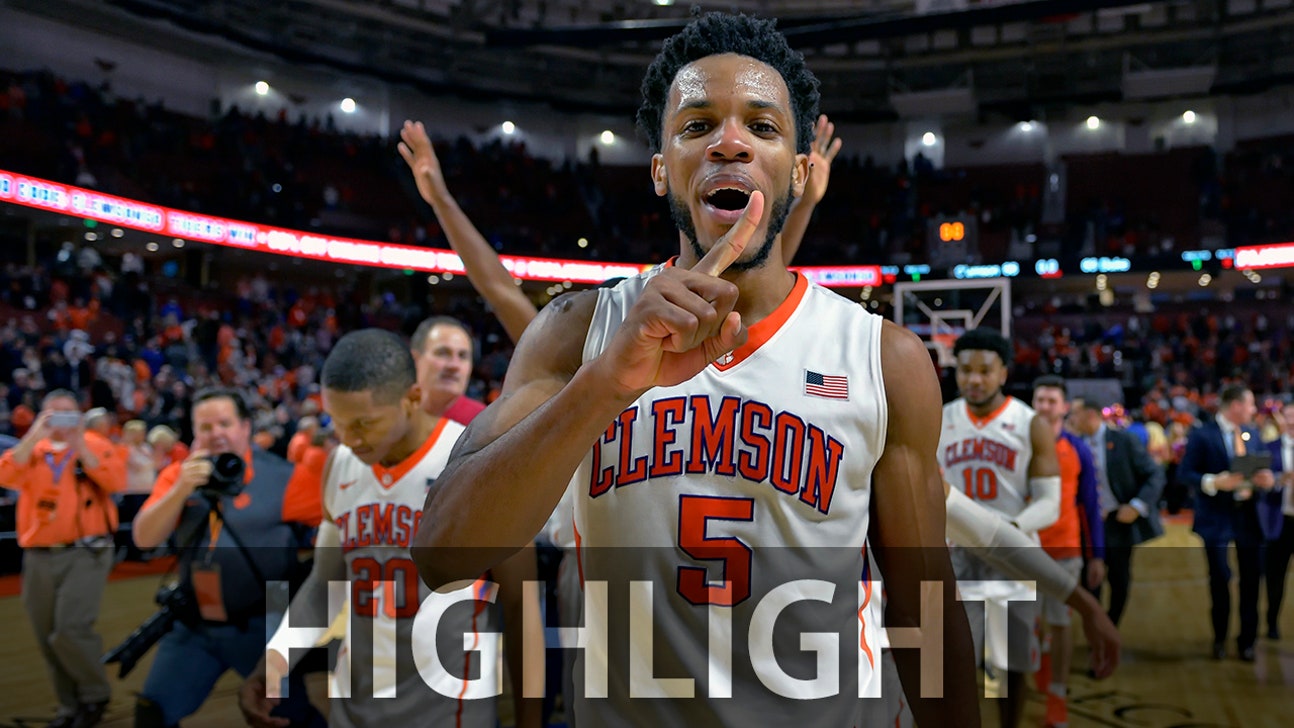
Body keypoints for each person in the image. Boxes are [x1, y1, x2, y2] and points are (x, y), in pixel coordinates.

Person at [413, 12, 979, 726]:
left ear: (801, 172)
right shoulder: (575, 334)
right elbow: (443, 555)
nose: (730, 143)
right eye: (697, 125)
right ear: (661, 170)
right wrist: (605, 386)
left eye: (763, 127)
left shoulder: (883, 358)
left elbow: (925, 606)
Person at [237, 330, 542, 728]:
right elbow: (324, 585)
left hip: (450, 714)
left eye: (364, 423)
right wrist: (274, 660)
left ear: (412, 398)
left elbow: (521, 607)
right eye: (339, 423)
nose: (349, 439)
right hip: (353, 708)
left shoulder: (480, 463)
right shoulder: (339, 464)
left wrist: (530, 720)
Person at [131, 388, 323, 727]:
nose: (215, 433)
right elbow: (144, 539)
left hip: (264, 622)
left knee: (286, 718)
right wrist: (180, 490)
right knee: (153, 714)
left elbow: (336, 524)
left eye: (225, 423)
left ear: (245, 427)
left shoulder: (285, 477)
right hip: (196, 622)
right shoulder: (178, 475)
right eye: (204, 427)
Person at [939, 327, 1061, 728]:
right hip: (955, 556)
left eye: (984, 371)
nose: (974, 379)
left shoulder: (1030, 424)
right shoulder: (939, 418)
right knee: (946, 666)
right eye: (966, 370)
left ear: (1003, 373)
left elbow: (1050, 503)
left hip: (1010, 558)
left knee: (1007, 668)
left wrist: (1010, 526)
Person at [0, 390, 126, 728]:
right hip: (39, 555)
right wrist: (31, 437)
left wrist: (80, 444)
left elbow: (116, 480)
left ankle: (94, 694)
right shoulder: (32, 451)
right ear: (42, 416)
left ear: (80, 416)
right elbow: (5, 476)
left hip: (86, 550)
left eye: (69, 413)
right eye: (53, 414)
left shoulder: (94, 443)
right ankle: (69, 707)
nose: (61, 420)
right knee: (46, 635)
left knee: (69, 628)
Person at [1177, 383, 1274, 661]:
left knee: (1252, 581)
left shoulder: (1253, 433)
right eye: (1251, 404)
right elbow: (1185, 474)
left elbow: (1259, 470)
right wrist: (1213, 482)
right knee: (1219, 579)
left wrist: (1264, 480)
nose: (1254, 410)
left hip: (1248, 515)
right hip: (1216, 516)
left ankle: (1248, 641)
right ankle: (1219, 639)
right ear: (1235, 406)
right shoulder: (1201, 434)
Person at [1031, 376, 1105, 728]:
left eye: (1051, 401)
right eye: (1040, 399)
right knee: (1023, 622)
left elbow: (1089, 506)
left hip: (1064, 550)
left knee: (1060, 622)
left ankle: (1057, 695)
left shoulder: (1077, 449)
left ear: (1064, 407)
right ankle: (1040, 655)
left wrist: (1096, 556)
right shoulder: (1016, 444)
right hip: (1021, 550)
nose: (1045, 406)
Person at [1068, 395, 1165, 628]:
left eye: (1075, 413)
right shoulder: (1072, 444)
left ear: (1090, 415)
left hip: (1118, 523)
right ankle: (1096, 633)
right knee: (1090, 582)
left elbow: (1155, 474)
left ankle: (1110, 627)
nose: (1070, 418)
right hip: (1087, 524)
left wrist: (1137, 505)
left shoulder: (1124, 440)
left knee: (1120, 580)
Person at [409, 315, 485, 425]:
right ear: (415, 359)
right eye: (443, 353)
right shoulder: (389, 414)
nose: (454, 365)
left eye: (463, 356)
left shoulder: (484, 423)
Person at [1264, 400, 1294, 640]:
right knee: (1275, 577)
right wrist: (1277, 480)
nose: (1292, 421)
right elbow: (1259, 484)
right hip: (1280, 521)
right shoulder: (1268, 449)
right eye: (1288, 416)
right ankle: (1271, 622)